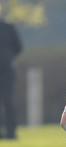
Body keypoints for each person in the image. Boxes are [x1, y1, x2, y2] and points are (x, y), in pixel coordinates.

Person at [0, 4, 22, 139]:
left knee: (7, 100)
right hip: (7, 65)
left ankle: (11, 132)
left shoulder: (9, 27)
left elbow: (18, 47)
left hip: (7, 69)